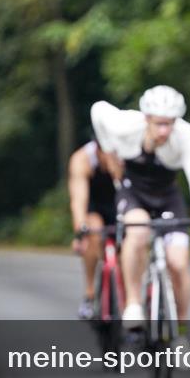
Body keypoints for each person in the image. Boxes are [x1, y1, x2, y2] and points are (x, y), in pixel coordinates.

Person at [90, 86, 190, 351]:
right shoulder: (126, 125)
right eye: (159, 123)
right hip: (133, 192)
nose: (164, 131)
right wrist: (108, 148)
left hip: (167, 196)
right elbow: (98, 109)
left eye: (169, 124)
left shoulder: (185, 134)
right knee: (137, 232)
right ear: (146, 118)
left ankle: (181, 333)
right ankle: (134, 303)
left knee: (178, 264)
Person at [67, 137, 119, 320]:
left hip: (119, 203)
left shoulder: (126, 155)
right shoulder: (82, 159)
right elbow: (78, 201)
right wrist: (80, 232)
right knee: (92, 230)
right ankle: (89, 293)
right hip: (94, 205)